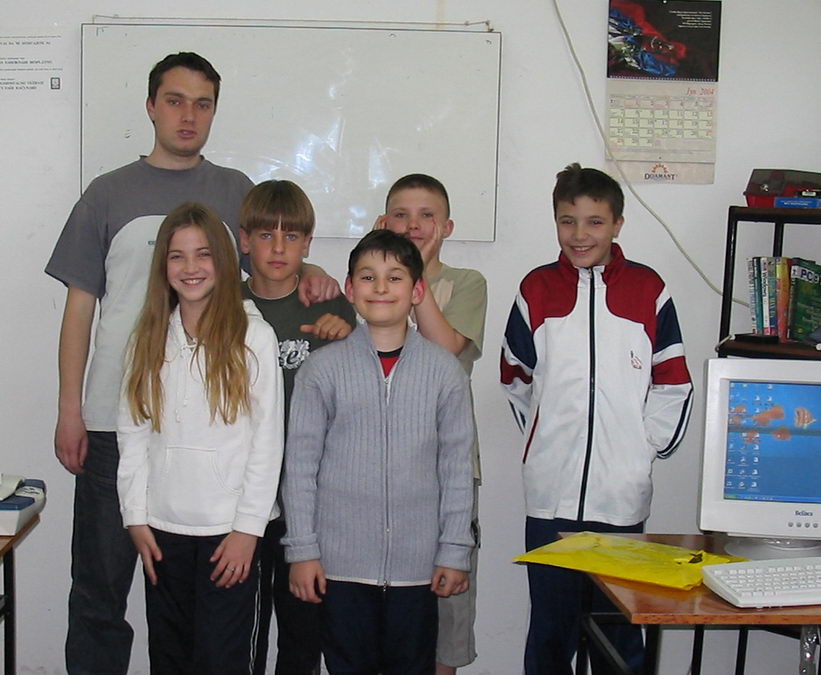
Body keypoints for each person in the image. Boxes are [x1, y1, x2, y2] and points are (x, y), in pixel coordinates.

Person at [44, 51, 335, 674]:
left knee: (199, 620)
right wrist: (70, 409)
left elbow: (272, 253)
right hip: (114, 423)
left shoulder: (233, 191)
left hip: (208, 438)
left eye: (203, 104)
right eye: (175, 101)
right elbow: (79, 308)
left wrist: (312, 271)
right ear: (151, 107)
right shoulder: (107, 193)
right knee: (99, 591)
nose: (188, 115)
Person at [500, 163, 693, 675]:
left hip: (620, 502)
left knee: (617, 635)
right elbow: (515, 376)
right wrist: (544, 440)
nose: (579, 234)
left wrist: (639, 450)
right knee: (551, 633)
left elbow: (674, 381)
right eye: (567, 221)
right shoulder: (537, 289)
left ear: (617, 224)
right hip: (551, 502)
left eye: (594, 222)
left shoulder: (647, 289)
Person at [283, 229, 476, 674]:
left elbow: (455, 468)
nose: (381, 288)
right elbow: (300, 467)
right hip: (340, 569)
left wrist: (453, 550)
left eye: (395, 277)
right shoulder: (322, 370)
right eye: (368, 277)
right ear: (350, 289)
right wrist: (302, 550)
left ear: (417, 291)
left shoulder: (444, 372)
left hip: (418, 570)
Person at [117, 202, 283, 673]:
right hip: (162, 532)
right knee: (170, 658)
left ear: (224, 261)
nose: (190, 267)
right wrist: (135, 517)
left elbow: (267, 442)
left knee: (222, 661)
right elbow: (132, 434)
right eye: (177, 256)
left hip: (230, 537)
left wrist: (247, 530)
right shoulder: (146, 338)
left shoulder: (254, 337)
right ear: (163, 266)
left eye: (203, 254)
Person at [239, 179, 357, 675]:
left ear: (307, 244)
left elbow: (359, 398)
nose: (278, 249)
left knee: (303, 632)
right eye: (266, 236)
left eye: (291, 237)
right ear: (244, 240)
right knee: (241, 631)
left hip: (309, 503)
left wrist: (347, 339)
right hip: (241, 499)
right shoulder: (224, 306)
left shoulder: (329, 307)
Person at [377, 173, 486, 674]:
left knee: (447, 604)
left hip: (447, 471)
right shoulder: (372, 283)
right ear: (384, 222)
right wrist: (387, 268)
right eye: (401, 215)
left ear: (447, 226)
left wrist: (415, 281)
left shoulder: (466, 283)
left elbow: (447, 353)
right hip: (381, 472)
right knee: (383, 606)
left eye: (426, 216)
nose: (413, 225)